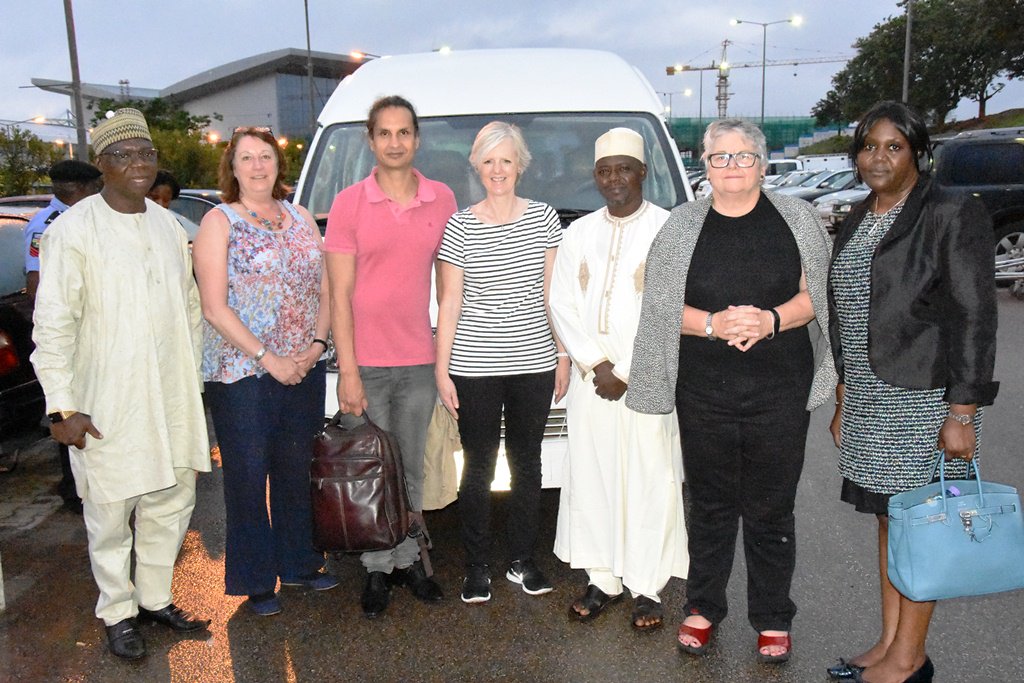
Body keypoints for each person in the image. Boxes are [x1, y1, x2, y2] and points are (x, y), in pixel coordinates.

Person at [627, 118, 836, 662]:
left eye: (745, 156)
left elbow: (819, 294)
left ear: (763, 164)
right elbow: (659, 307)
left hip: (779, 390)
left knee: (772, 507)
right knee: (712, 505)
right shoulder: (681, 226)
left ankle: (772, 617)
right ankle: (702, 608)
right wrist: (714, 325)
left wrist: (769, 319)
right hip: (705, 391)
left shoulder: (798, 220)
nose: (733, 167)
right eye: (721, 157)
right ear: (704, 165)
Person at [825, 101, 998, 683]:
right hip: (873, 397)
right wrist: (847, 397)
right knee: (890, 520)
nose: (878, 157)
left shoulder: (950, 212)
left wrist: (964, 411)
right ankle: (889, 641)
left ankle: (910, 659)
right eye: (869, 146)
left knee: (922, 525)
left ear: (918, 153)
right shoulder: (858, 214)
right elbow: (850, 312)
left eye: (893, 146)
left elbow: (975, 315)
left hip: (924, 397)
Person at [30, 108, 211, 660]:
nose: (139, 164)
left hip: (172, 395)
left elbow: (191, 310)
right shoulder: (73, 231)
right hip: (105, 399)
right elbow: (53, 323)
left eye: (147, 154)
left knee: (171, 500)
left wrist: (194, 387)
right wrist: (62, 408)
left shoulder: (167, 226)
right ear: (102, 165)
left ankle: (154, 597)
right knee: (110, 511)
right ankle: (117, 610)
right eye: (124, 155)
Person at [193, 126, 338, 617]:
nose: (258, 166)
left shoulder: (301, 218)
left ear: (279, 163)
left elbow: (325, 290)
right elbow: (214, 307)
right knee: (249, 478)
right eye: (247, 158)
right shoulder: (220, 222)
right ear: (232, 168)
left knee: (297, 472)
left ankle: (299, 563)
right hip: (242, 374)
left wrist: (316, 346)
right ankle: (257, 578)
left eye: (266, 156)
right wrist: (267, 357)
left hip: (302, 368)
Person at [550, 127, 688, 630]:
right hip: (593, 382)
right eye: (605, 171)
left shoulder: (669, 229)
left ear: (642, 173)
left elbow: (672, 308)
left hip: (647, 379)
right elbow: (560, 301)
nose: (614, 180)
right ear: (596, 177)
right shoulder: (579, 233)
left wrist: (627, 370)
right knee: (593, 475)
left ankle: (647, 585)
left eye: (623, 169)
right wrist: (594, 363)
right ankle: (602, 576)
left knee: (649, 476)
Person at [324, 95, 455, 618]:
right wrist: (348, 372)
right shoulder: (350, 203)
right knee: (370, 470)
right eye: (385, 133)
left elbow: (453, 284)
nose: (395, 143)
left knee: (410, 468)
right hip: (367, 362)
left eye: (404, 133)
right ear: (371, 140)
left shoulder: (441, 198)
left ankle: (408, 561)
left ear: (416, 139)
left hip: (420, 359)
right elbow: (338, 296)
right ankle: (378, 569)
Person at [435, 121, 570, 605]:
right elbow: (450, 301)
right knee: (478, 465)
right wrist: (441, 368)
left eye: (506, 160)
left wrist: (562, 354)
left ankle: (522, 560)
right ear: (477, 165)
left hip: (534, 360)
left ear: (520, 166)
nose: (498, 170)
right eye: (489, 161)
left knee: (526, 463)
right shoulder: (460, 225)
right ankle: (476, 567)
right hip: (474, 366)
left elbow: (553, 295)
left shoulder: (544, 219)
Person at [23, 159, 103, 513]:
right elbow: (35, 284)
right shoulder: (50, 226)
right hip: (63, 329)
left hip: (86, 329)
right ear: (82, 189)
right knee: (64, 404)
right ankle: (73, 490)